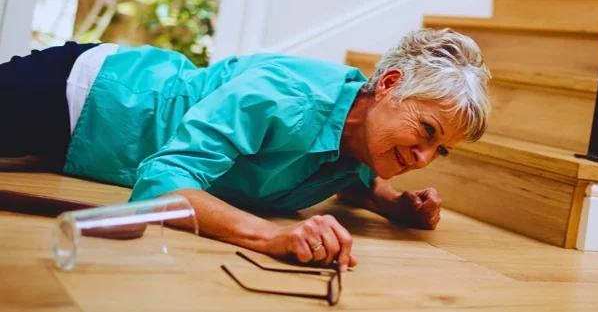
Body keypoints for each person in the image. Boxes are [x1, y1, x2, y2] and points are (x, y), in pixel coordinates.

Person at [0, 28, 491, 271]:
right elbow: (163, 182)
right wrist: (268, 238)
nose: (424, 158)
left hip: (79, 148)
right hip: (90, 93)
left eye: (439, 151)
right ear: (387, 84)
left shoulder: (362, 140)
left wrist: (392, 204)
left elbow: (347, 175)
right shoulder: (286, 94)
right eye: (426, 131)